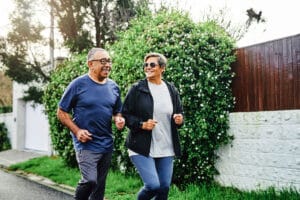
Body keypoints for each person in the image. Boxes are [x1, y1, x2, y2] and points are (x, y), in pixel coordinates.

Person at [57, 47, 125, 200]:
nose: (107, 64)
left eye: (109, 61)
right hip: (86, 144)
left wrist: (119, 119)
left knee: (99, 187)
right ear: (90, 64)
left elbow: (117, 111)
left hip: (106, 143)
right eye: (103, 61)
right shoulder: (78, 84)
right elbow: (61, 112)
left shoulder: (114, 87)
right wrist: (77, 131)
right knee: (90, 180)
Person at [122, 52, 184, 200]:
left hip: (166, 146)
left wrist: (179, 119)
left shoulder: (171, 89)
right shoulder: (137, 88)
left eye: (152, 65)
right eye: (146, 65)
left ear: (162, 68)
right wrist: (142, 124)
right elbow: (125, 114)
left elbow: (179, 113)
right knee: (153, 186)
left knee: (164, 188)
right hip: (141, 146)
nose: (148, 67)